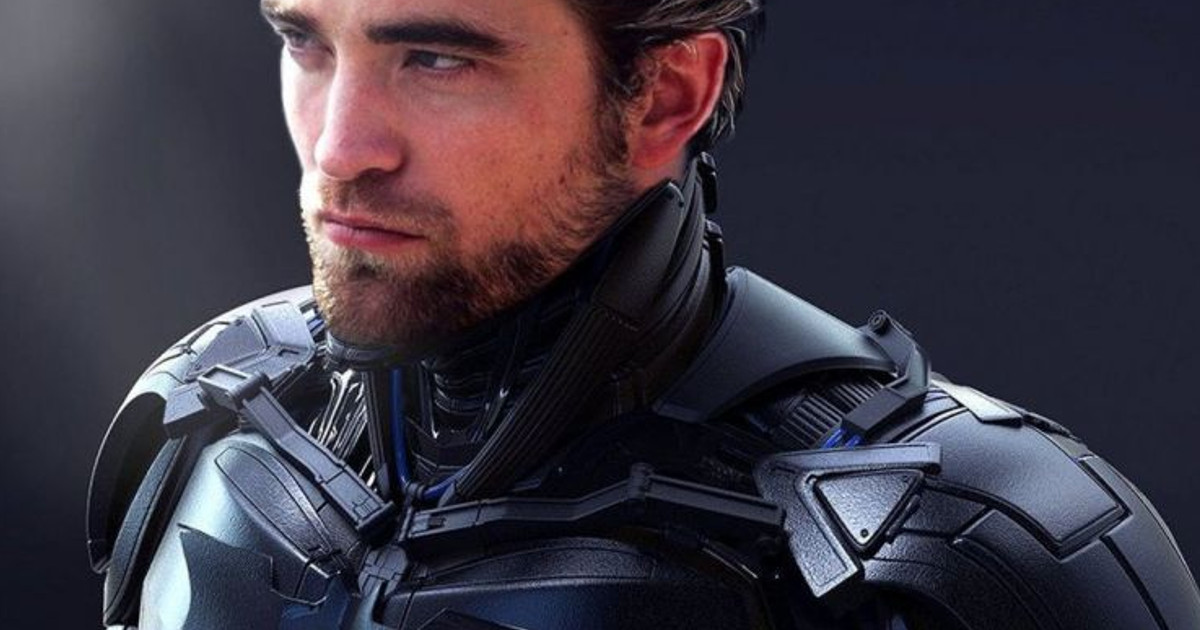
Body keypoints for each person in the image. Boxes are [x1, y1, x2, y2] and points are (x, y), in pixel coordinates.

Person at [87, 0, 1200, 628]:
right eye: (306, 42)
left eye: (436, 58)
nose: (339, 150)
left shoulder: (968, 557)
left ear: (667, 95)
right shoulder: (204, 419)